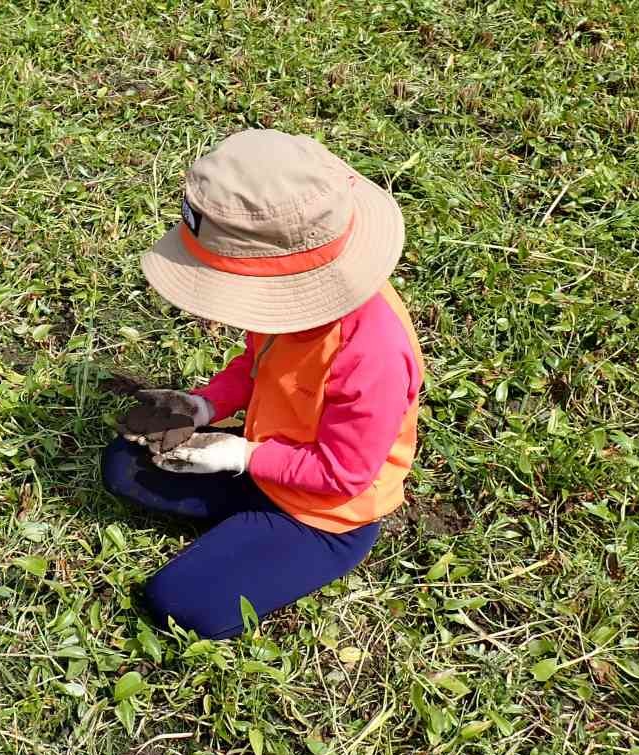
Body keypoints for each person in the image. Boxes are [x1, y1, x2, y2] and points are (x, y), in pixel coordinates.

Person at [101, 129, 425, 640]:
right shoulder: (290, 307)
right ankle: (244, 531)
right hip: (263, 463)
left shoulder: (373, 355)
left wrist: (242, 457)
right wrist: (205, 406)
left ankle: (265, 543)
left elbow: (343, 475)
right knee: (122, 465)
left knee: (177, 604)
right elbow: (257, 364)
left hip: (323, 515)